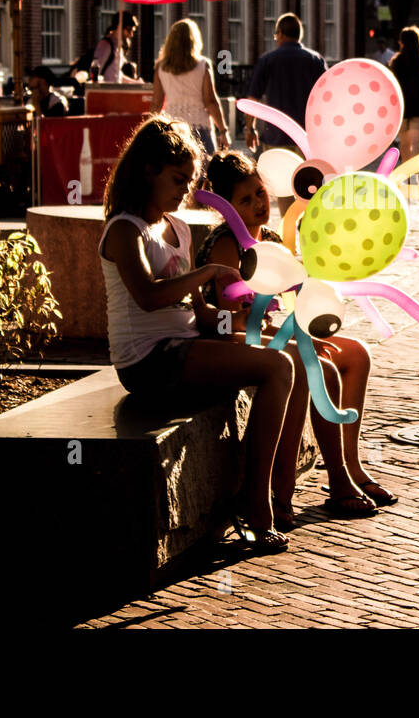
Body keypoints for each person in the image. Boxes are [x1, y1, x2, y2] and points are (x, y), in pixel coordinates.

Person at [98, 117, 303, 552]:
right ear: (148, 170)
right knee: (278, 367)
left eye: (189, 181)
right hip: (149, 361)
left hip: (187, 344)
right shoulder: (124, 229)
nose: (183, 191)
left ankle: (278, 495)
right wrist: (208, 272)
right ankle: (255, 503)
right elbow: (150, 298)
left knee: (294, 356)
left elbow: (201, 316)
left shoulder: (178, 228)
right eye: (177, 179)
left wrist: (247, 327)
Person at [195, 151, 393, 524]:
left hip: (270, 333)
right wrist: (293, 336)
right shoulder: (227, 246)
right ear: (226, 208)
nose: (257, 204)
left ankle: (349, 465)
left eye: (259, 193)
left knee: (356, 354)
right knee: (318, 367)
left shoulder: (269, 239)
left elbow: (298, 296)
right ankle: (296, 486)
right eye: (244, 200)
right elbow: (232, 321)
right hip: (229, 341)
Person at [244, 12, 327, 217]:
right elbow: (327, 96)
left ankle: (287, 228)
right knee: (309, 185)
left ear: (280, 34)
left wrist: (250, 127)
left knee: (283, 187)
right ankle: (309, 224)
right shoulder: (315, 60)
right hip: (308, 138)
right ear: (299, 35)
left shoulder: (268, 60)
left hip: (276, 136)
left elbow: (253, 99)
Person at [153, 17, 231, 157]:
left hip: (173, 126)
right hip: (199, 125)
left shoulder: (161, 67)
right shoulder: (202, 65)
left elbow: (157, 102)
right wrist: (223, 131)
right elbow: (210, 101)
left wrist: (150, 129)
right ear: (193, 40)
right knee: (204, 171)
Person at [389, 25, 419, 164]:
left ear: (401, 42)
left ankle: (407, 177)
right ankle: (417, 176)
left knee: (404, 144)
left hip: (403, 107)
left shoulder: (396, 62)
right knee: (416, 144)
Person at [92, 11, 138, 84]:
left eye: (133, 31)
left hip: (115, 90)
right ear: (119, 26)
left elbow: (117, 75)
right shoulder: (106, 45)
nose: (131, 34)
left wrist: (136, 83)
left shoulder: (118, 46)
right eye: (129, 30)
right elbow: (95, 72)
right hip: (106, 92)